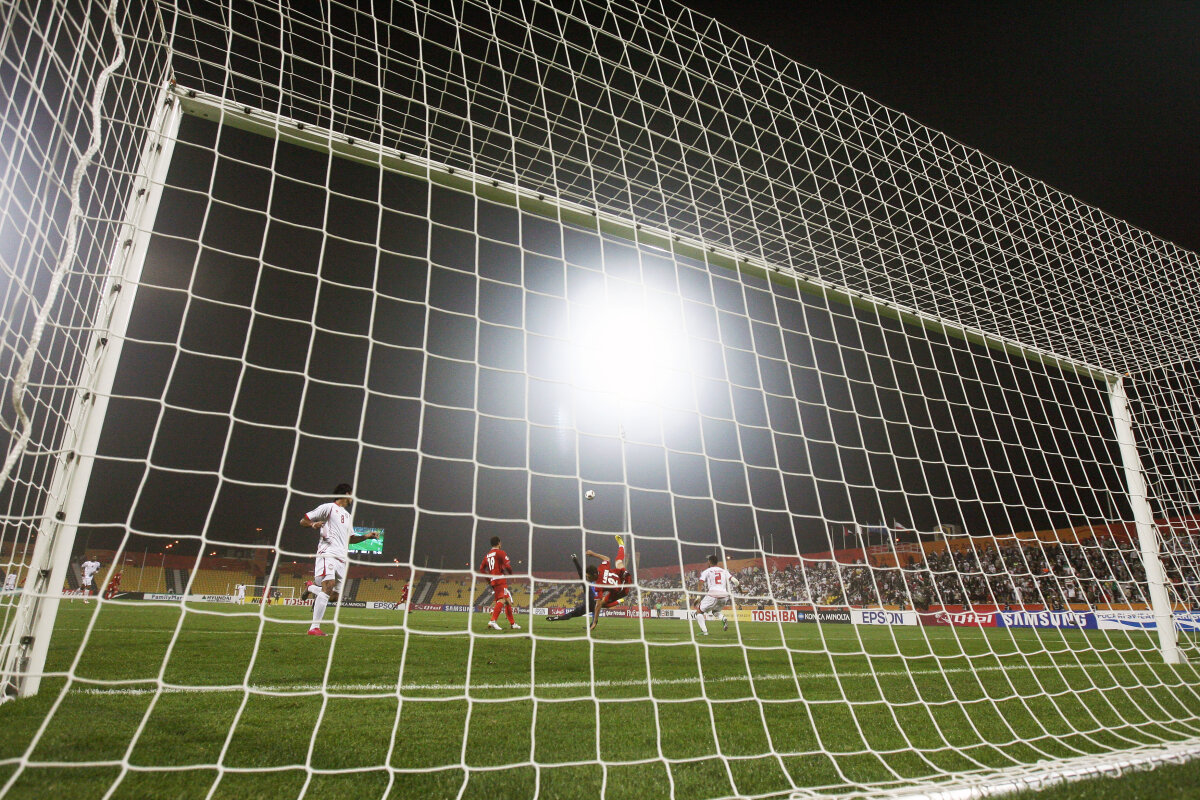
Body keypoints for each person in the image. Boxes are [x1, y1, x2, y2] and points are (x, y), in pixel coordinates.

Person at [300, 483, 378, 637]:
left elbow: (351, 539)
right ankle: (314, 627)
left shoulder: (348, 516)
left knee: (334, 597)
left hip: (342, 558)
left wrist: (366, 536)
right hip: (328, 552)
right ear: (347, 494)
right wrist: (313, 524)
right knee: (328, 585)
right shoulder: (328, 507)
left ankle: (310, 587)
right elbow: (303, 521)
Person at [478, 536, 520, 631]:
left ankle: (513, 624)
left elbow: (481, 569)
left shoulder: (487, 555)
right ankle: (493, 621)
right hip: (500, 579)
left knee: (507, 600)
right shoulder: (501, 552)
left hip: (493, 580)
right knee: (502, 600)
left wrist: (489, 579)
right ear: (499, 543)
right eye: (500, 543)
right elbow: (507, 566)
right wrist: (511, 575)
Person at [546, 555, 602, 625]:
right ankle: (593, 623)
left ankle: (558, 618)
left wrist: (575, 561)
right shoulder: (598, 582)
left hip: (589, 603)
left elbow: (581, 573)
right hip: (592, 604)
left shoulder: (591, 585)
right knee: (577, 613)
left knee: (572, 614)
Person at [693, 555, 738, 635]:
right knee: (715, 611)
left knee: (699, 612)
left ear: (709, 562)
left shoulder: (707, 571)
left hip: (713, 594)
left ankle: (704, 631)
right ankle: (723, 618)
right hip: (724, 596)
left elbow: (700, 583)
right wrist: (740, 589)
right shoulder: (724, 571)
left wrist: (698, 596)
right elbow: (735, 581)